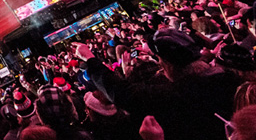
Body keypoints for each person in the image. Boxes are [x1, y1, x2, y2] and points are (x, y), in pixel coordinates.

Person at [74, 28, 241, 140]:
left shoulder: (175, 95)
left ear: (168, 65)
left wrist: (90, 59)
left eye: (160, 61)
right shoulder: (230, 78)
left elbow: (125, 93)